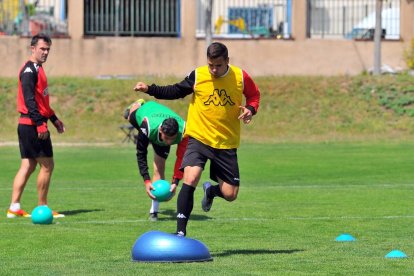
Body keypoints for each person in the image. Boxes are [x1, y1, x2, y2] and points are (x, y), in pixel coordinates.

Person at [133, 42, 260, 236]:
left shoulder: (240, 77)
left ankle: (211, 192)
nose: (214, 69)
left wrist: (250, 109)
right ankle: (180, 233)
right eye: (210, 65)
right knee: (190, 179)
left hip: (226, 143)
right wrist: (150, 89)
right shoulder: (198, 75)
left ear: (227, 61)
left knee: (230, 194)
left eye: (218, 65)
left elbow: (254, 95)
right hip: (198, 137)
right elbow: (175, 90)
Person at [7, 33, 65, 219]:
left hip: (28, 124)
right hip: (32, 125)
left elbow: (42, 102)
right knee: (47, 165)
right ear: (32, 49)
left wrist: (54, 119)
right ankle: (43, 208)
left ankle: (14, 207)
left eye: (48, 49)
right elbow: (30, 101)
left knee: (28, 165)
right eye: (42, 48)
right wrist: (41, 124)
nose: (46, 52)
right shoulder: (29, 71)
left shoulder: (38, 69)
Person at [123, 99, 188, 221]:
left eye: (172, 139)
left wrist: (176, 181)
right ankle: (138, 103)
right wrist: (146, 181)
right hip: (144, 112)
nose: (169, 142)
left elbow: (181, 157)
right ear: (161, 130)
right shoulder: (147, 125)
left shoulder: (184, 132)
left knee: (159, 168)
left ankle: (154, 212)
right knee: (128, 116)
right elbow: (141, 153)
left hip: (158, 122)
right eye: (167, 138)